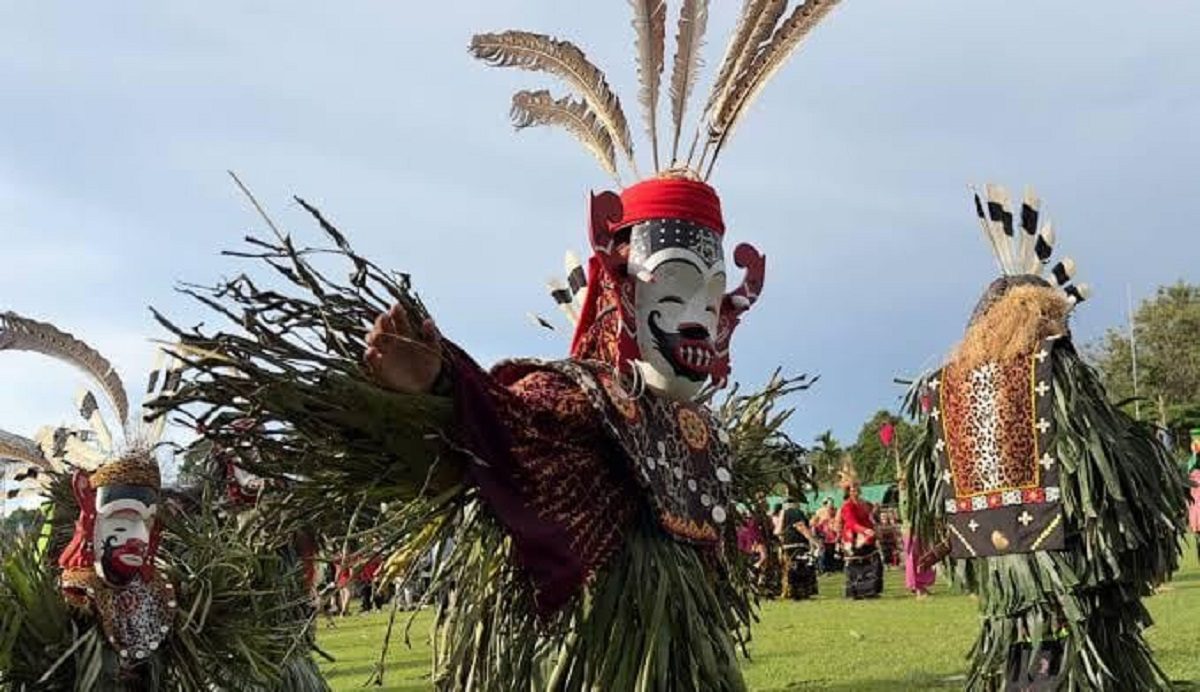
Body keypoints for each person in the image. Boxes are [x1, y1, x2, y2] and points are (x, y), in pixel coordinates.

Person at [157, 3, 850, 687]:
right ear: (620, 297)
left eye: (710, 295)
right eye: (671, 294)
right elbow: (503, 424)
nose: (697, 320)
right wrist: (438, 384)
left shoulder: (697, 427)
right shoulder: (579, 400)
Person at [904, 185, 1188, 691]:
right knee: (1080, 655)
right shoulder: (1053, 372)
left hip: (1001, 569)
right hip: (1071, 559)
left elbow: (937, 480)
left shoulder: (947, 387)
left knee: (1022, 648)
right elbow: (1110, 464)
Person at [839, 460, 884, 599]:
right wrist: (864, 531)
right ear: (849, 491)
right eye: (852, 489)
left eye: (857, 488)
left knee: (874, 563)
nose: (855, 491)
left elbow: (871, 518)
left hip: (867, 538)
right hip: (854, 537)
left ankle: (870, 591)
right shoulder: (847, 506)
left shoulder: (865, 504)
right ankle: (856, 592)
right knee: (856, 566)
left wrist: (875, 527)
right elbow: (851, 522)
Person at [780, 501, 818, 600]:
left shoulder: (783, 513)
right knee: (801, 567)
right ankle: (801, 593)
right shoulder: (795, 512)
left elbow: (778, 530)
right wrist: (813, 541)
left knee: (791, 568)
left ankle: (790, 591)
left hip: (788, 544)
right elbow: (800, 526)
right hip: (797, 543)